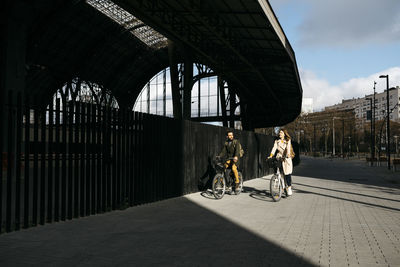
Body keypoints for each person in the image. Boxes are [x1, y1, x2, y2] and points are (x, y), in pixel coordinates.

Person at [268, 129, 294, 196]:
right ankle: (282, 187)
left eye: (281, 132)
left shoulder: (288, 140)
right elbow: (274, 148)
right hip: (279, 157)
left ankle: (289, 188)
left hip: (286, 158)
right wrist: (270, 155)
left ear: (284, 134)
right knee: (279, 173)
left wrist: (288, 154)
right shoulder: (277, 141)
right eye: (279, 133)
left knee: (287, 174)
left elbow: (288, 148)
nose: (280, 134)